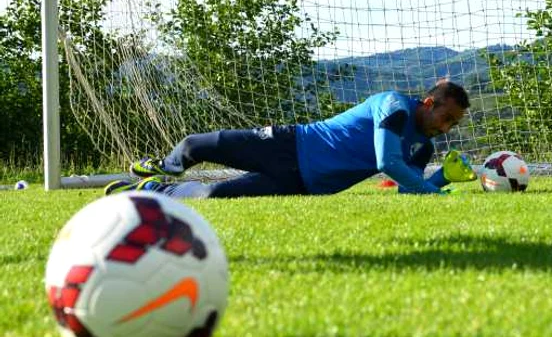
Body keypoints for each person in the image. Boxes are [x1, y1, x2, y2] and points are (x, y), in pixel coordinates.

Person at [104, 80, 477, 199]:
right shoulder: (393, 106)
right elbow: (387, 163)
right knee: (198, 145)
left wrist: (442, 177)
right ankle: (164, 166)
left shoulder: (424, 146)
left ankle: (151, 191)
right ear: (429, 103)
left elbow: (407, 190)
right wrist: (435, 191)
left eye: (453, 124)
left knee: (212, 196)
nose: (445, 128)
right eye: (445, 118)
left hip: (302, 183)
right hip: (290, 144)